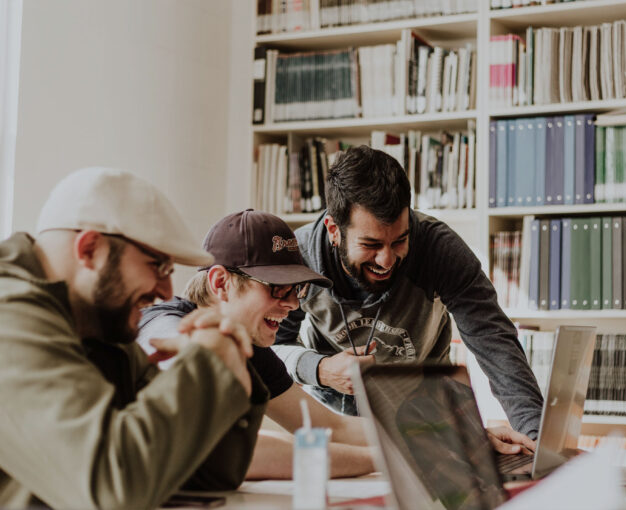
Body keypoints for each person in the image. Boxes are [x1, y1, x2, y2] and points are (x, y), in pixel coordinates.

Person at [0, 168, 264, 509]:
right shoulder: (11, 316)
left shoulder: (99, 325)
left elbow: (208, 472)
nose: (167, 291)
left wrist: (227, 356)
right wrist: (209, 362)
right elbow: (114, 487)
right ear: (90, 248)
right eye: (158, 266)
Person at [274, 145, 544, 449]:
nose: (387, 260)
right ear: (334, 230)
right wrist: (320, 369)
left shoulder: (439, 249)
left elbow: (494, 341)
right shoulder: (298, 257)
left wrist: (537, 440)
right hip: (336, 427)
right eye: (371, 244)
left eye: (399, 240)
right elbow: (272, 349)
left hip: (427, 420)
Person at [138, 209, 375, 479]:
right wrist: (383, 461)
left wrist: (417, 438)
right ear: (221, 283)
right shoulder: (163, 327)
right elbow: (227, 449)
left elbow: (328, 427)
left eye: (296, 290)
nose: (293, 304)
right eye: (278, 288)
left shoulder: (250, 348)